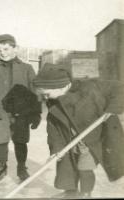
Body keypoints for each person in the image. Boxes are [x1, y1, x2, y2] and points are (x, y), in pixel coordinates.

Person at [33, 64, 124, 198]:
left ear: (62, 86)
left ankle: (86, 193)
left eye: (47, 94)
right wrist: (56, 149)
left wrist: (113, 107)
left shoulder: (89, 87)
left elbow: (119, 88)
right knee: (67, 166)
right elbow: (53, 129)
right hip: (69, 138)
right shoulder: (53, 102)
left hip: (93, 137)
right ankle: (70, 192)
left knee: (85, 168)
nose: (45, 98)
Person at [0, 34, 37, 181]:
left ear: (15, 48)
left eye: (6, 49)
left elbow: (35, 92)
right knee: (0, 140)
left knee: (21, 140)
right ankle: (2, 166)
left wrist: (36, 113)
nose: (3, 53)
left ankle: (22, 167)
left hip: (21, 114)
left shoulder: (27, 69)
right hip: (0, 113)